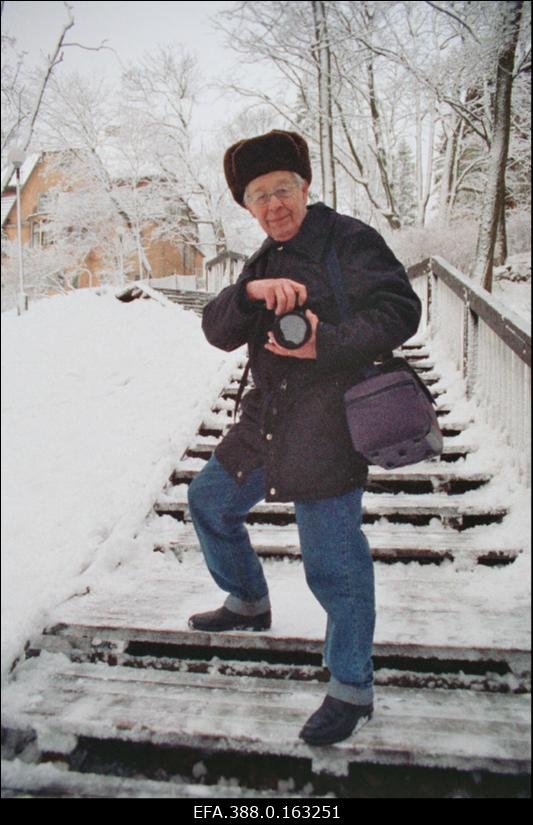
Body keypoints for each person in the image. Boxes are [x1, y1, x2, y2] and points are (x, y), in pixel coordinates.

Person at [187, 130, 421, 746]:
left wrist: (329, 342)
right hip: (266, 420)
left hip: (330, 423)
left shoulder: (349, 240)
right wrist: (247, 293)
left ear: (305, 187)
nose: (274, 205)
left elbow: (402, 310)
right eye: (259, 196)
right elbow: (216, 330)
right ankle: (247, 600)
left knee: (334, 564)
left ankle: (351, 687)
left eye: (283, 189)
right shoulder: (261, 260)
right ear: (247, 206)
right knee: (209, 503)